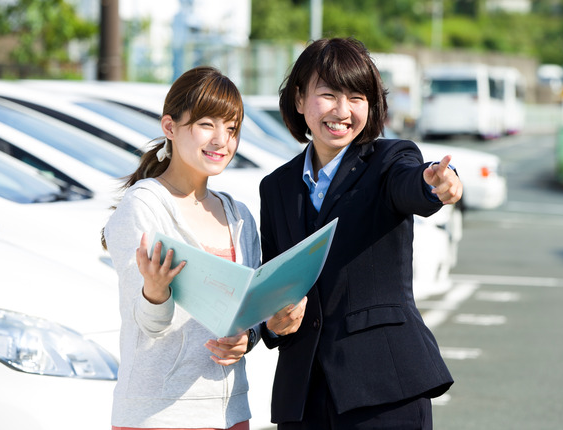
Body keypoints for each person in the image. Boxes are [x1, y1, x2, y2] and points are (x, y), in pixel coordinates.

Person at [258, 38, 462, 429]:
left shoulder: (390, 160)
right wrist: (272, 322)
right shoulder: (276, 187)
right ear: (300, 100)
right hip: (302, 397)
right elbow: (274, 281)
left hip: (385, 389)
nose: (342, 110)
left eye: (356, 97)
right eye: (328, 95)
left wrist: (435, 183)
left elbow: (412, 185)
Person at [102, 66, 306, 430]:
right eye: (207, 124)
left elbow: (249, 312)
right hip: (158, 413)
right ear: (170, 127)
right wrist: (155, 291)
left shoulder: (237, 214)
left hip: (230, 412)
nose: (222, 141)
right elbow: (147, 325)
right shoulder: (145, 205)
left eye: (232, 129)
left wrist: (253, 334)